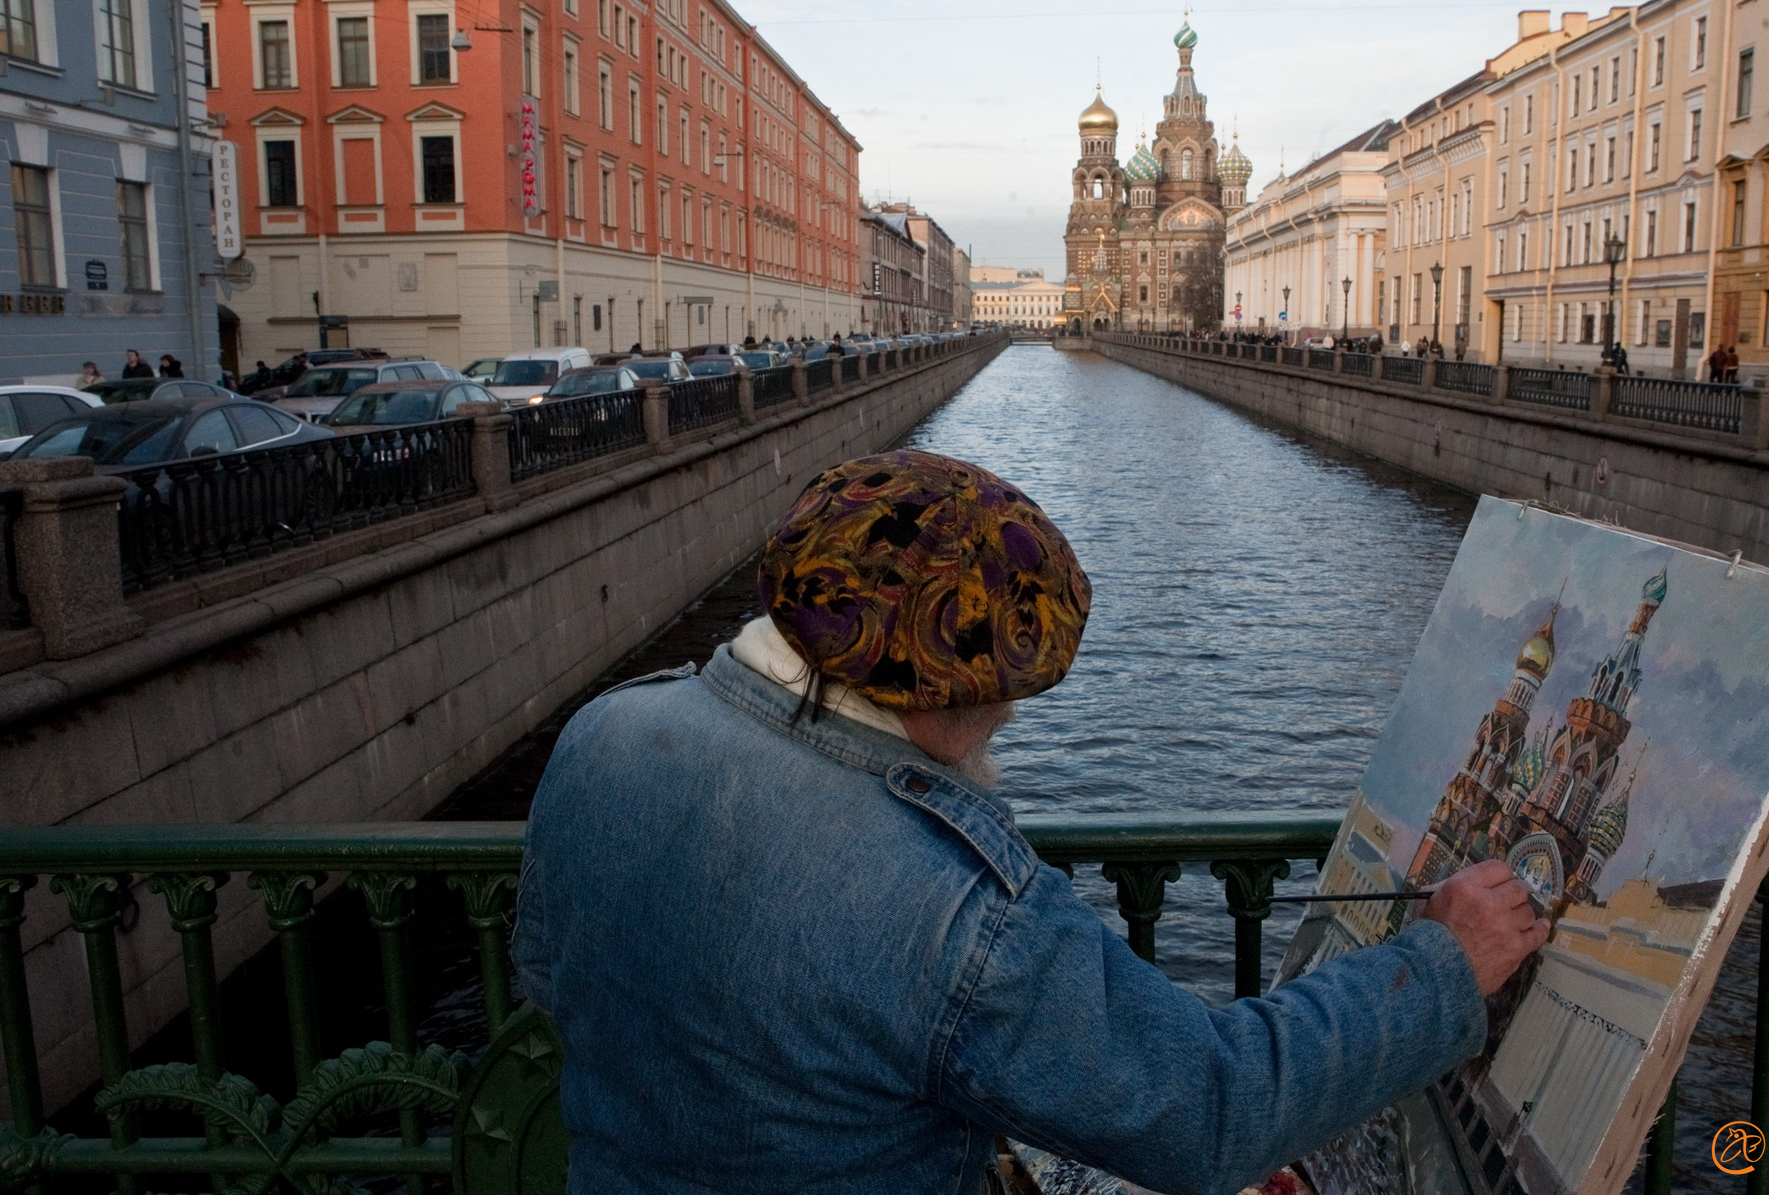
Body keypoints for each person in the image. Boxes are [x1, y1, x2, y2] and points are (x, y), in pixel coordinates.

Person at [515, 450, 1546, 1195]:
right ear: (958, 694)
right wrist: (1442, 963)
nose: (1010, 712)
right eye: (1014, 688)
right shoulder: (955, 906)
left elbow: (551, 980)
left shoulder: (603, 735)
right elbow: (1212, 1107)